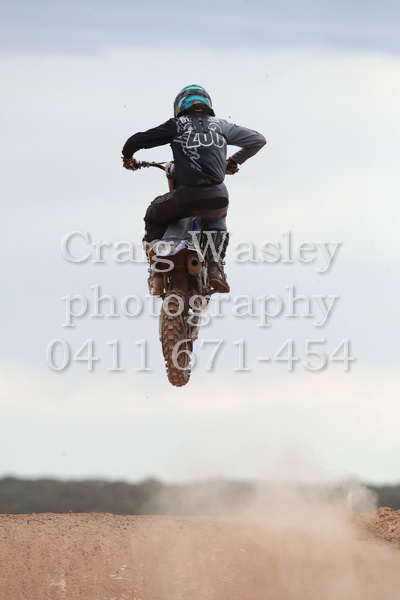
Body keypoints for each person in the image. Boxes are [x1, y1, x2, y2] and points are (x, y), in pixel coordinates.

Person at [122, 84, 266, 293]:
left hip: (187, 197)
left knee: (153, 214)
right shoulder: (222, 126)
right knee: (218, 221)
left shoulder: (176, 125)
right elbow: (258, 140)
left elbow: (136, 141)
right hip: (218, 196)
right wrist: (233, 161)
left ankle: (155, 269)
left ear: (179, 107)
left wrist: (128, 158)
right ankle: (216, 269)